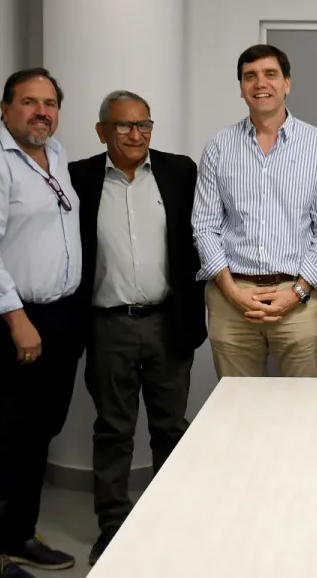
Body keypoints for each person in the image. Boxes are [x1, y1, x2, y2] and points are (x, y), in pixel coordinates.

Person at [0, 68, 82, 578]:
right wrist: (18, 319)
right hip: (6, 323)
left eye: (49, 103)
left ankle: (21, 533)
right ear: (5, 109)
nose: (41, 112)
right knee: (0, 439)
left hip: (56, 318)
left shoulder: (56, 155)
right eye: (29, 102)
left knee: (39, 433)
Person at [68, 90, 206, 565]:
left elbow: (200, 235)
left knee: (171, 428)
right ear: (101, 131)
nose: (136, 134)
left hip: (168, 321)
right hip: (109, 326)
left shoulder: (179, 171)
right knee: (114, 431)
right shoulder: (79, 178)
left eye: (144, 124)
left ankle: (171, 519)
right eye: (124, 125)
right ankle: (113, 525)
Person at [192, 44, 317, 378]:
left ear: (287, 83)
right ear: (241, 87)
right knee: (237, 403)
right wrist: (232, 292)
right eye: (250, 76)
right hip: (232, 298)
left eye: (270, 74)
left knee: (302, 403)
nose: (260, 83)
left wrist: (297, 293)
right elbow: (204, 225)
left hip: (299, 298)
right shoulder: (219, 146)